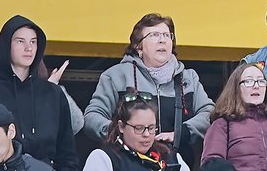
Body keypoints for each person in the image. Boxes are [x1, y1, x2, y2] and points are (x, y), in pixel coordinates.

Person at [84, 16, 210, 153]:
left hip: (177, 160)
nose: (162, 40)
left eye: (167, 35)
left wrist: (180, 133)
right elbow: (92, 117)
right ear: (138, 46)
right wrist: (121, 134)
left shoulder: (189, 78)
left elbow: (209, 113)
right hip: (128, 160)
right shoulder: (115, 76)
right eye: (154, 35)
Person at [0, 18, 74, 171]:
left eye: (33, 42)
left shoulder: (54, 94)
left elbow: (67, 153)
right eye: (20, 41)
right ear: (7, 45)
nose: (28, 48)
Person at [198, 67, 267, 171]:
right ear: (236, 88)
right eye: (248, 81)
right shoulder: (222, 124)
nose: (256, 86)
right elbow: (212, 164)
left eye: (261, 81)